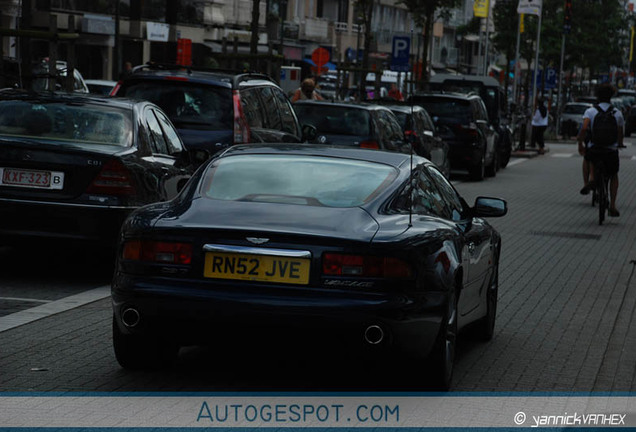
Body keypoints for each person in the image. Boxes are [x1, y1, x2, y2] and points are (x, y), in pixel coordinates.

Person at [577, 83, 624, 217]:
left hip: (595, 148)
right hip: (610, 150)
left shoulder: (591, 111)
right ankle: (613, 205)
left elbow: (584, 128)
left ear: (597, 96)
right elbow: (620, 133)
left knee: (589, 155)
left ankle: (591, 179)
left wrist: (580, 142)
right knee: (614, 174)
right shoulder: (617, 113)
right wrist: (619, 144)